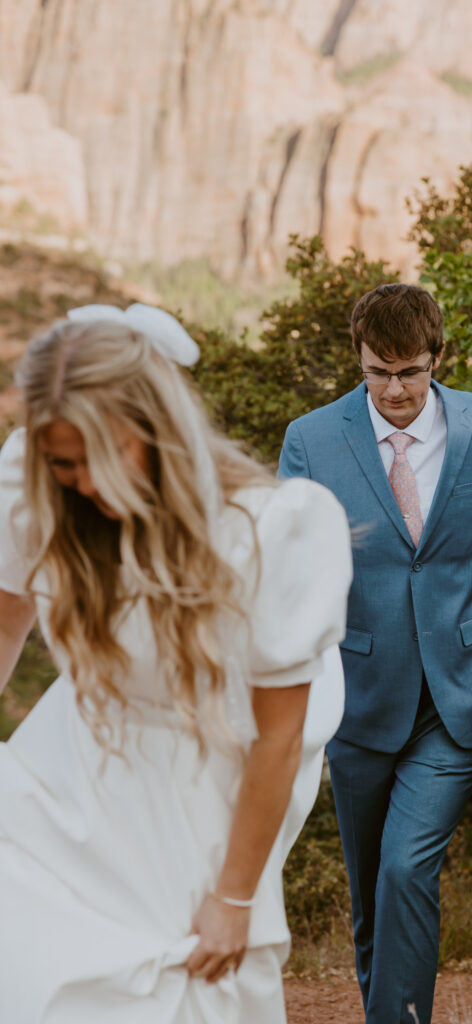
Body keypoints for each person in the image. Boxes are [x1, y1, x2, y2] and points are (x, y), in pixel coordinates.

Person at [0, 303, 352, 1024]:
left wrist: (234, 898)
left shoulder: (269, 530)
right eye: (63, 464)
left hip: (202, 791)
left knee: (175, 993)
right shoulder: (33, 487)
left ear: (154, 430)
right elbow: (6, 619)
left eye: (99, 459)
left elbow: (278, 735)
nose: (83, 484)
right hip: (67, 766)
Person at [279, 283, 472, 1024]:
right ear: (359, 360)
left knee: (406, 871)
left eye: (411, 370)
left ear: (438, 356)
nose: (395, 389)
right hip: (357, 699)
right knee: (370, 893)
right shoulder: (309, 440)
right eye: (379, 371)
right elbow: (287, 581)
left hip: (460, 696)